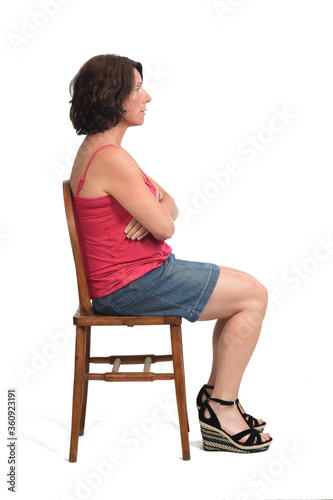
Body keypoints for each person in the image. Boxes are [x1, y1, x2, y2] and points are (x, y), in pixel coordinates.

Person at [68, 54, 272, 453]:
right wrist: (155, 213)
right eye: (137, 88)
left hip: (143, 274)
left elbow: (171, 204)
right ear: (114, 98)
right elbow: (167, 225)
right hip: (131, 284)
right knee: (253, 296)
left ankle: (218, 399)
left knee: (247, 294)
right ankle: (221, 409)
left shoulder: (105, 151)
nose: (147, 96)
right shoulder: (111, 158)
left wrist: (155, 209)